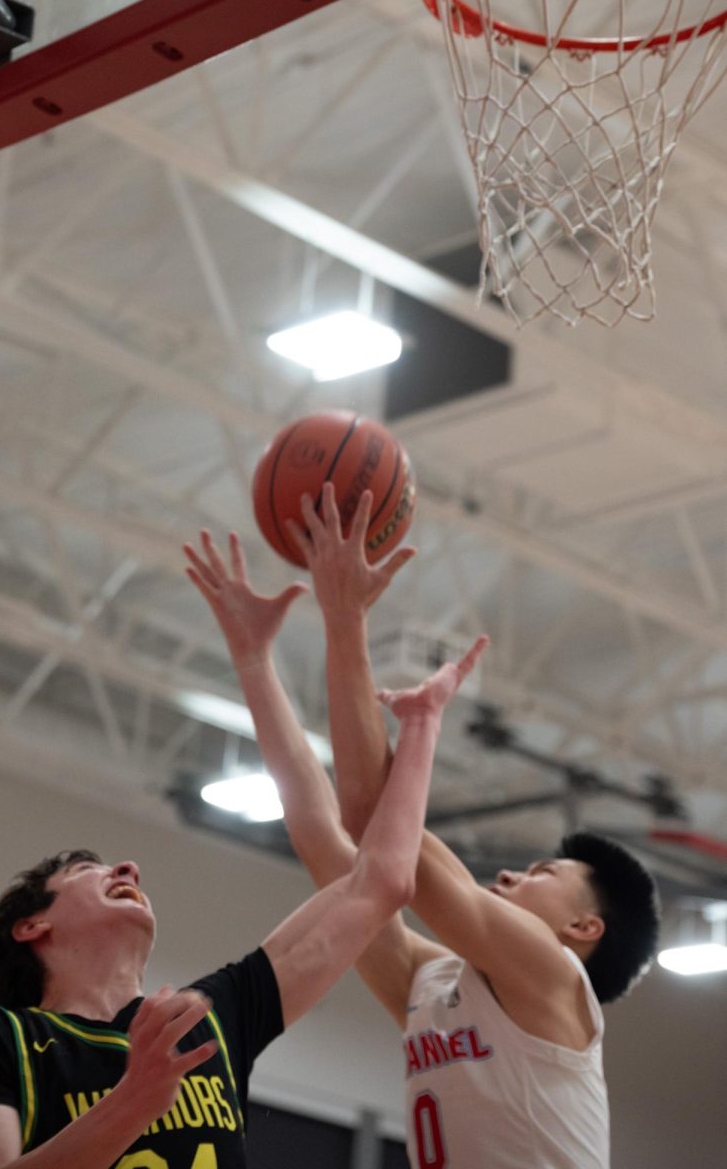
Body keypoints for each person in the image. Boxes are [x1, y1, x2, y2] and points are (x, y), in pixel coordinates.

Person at [0, 533, 463, 1169]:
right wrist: (134, 1101)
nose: (127, 868)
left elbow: (378, 883)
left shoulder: (207, 1019)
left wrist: (269, 662)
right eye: (87, 870)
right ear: (31, 924)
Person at [190, 483, 660, 1169]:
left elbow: (371, 821)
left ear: (583, 930)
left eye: (541, 874)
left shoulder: (555, 979)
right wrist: (255, 663)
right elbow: (331, 835)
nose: (508, 873)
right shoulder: (433, 984)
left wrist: (345, 617)